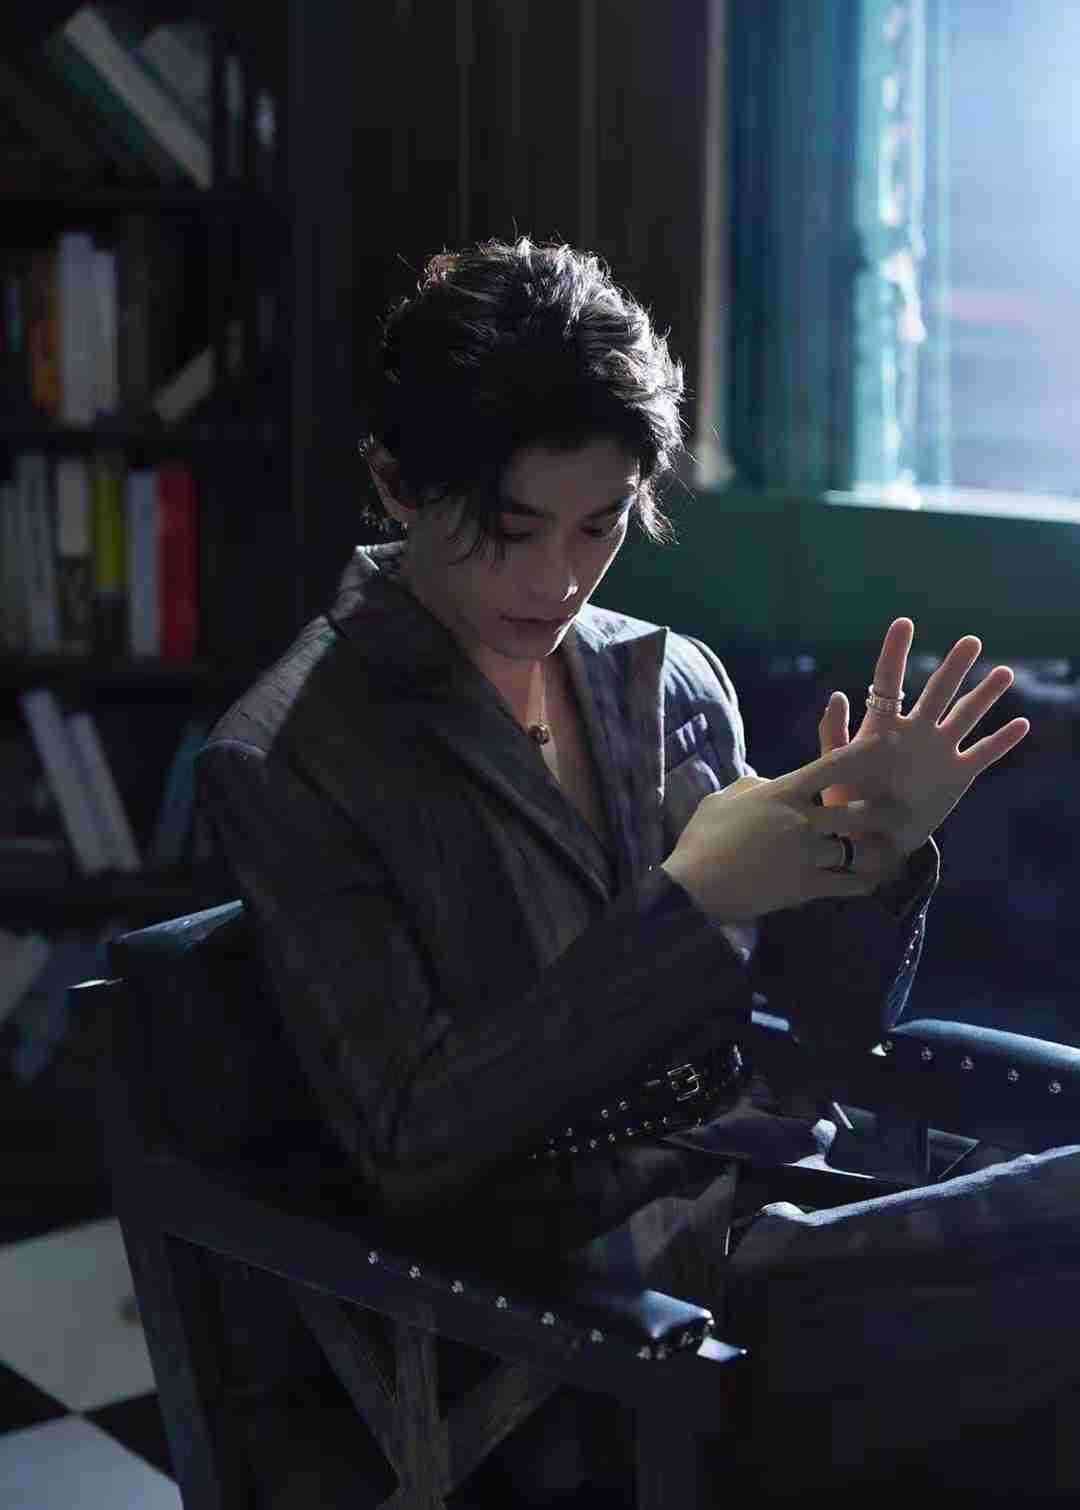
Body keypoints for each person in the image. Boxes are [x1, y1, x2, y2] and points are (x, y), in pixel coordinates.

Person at [195, 237, 1079, 1501]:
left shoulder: (668, 679)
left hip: (787, 1218)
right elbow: (412, 1144)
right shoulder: (292, 756)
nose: (556, 579)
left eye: (600, 524)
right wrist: (691, 901)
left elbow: (831, 1029)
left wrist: (873, 853)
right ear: (395, 482)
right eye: (509, 529)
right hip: (593, 1330)